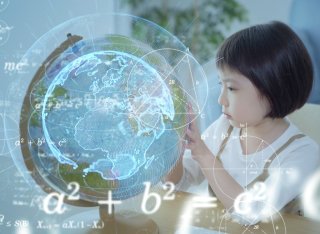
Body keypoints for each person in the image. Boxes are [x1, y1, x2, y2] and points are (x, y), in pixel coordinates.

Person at [166, 21, 320, 225]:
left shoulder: (303, 153)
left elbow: (252, 213)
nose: (221, 100)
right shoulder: (224, 128)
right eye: (221, 85)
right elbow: (177, 183)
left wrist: (202, 153)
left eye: (231, 88)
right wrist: (176, 144)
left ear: (272, 89)